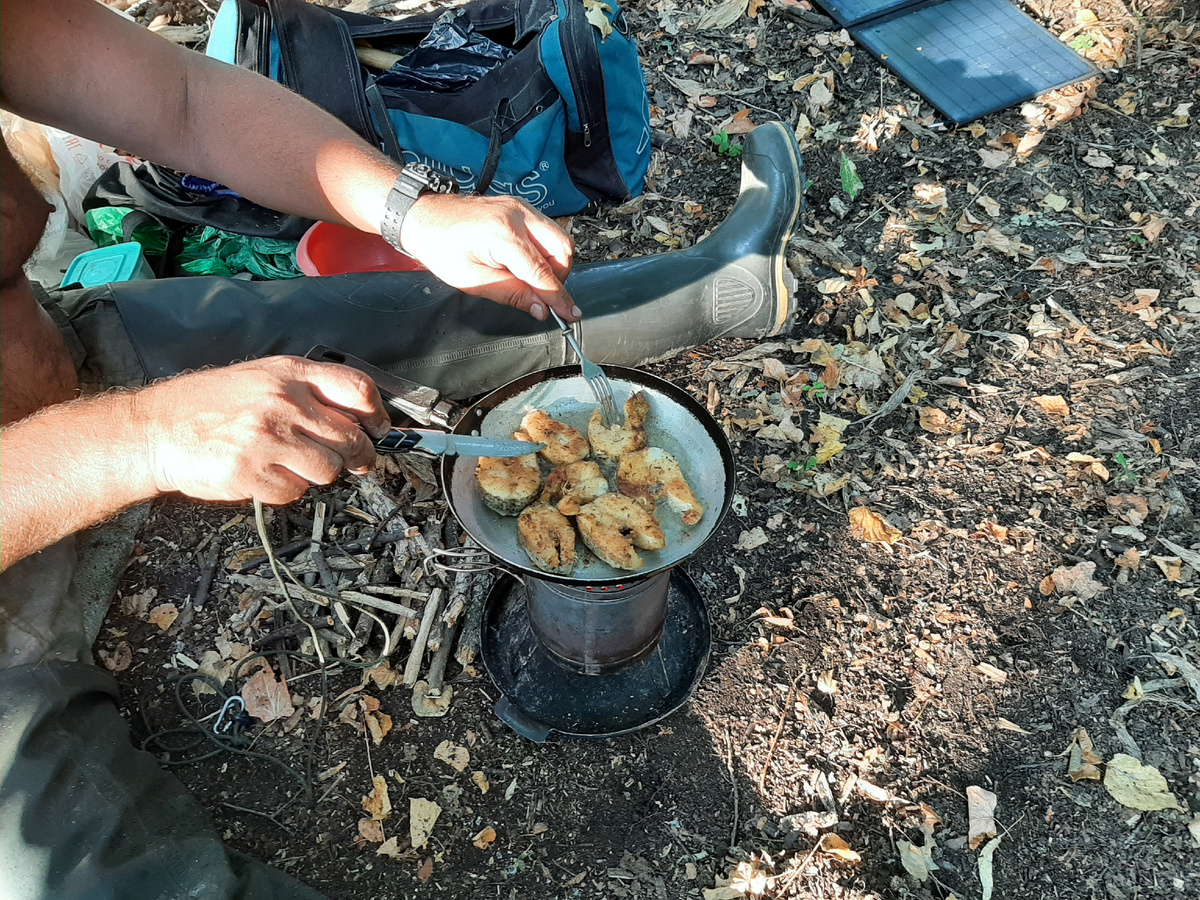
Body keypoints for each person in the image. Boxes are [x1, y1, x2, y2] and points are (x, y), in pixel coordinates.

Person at [0, 0, 804, 896]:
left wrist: (414, 215)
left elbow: (183, 98)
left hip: (64, 368)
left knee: (400, 311)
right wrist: (141, 438)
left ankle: (722, 285)